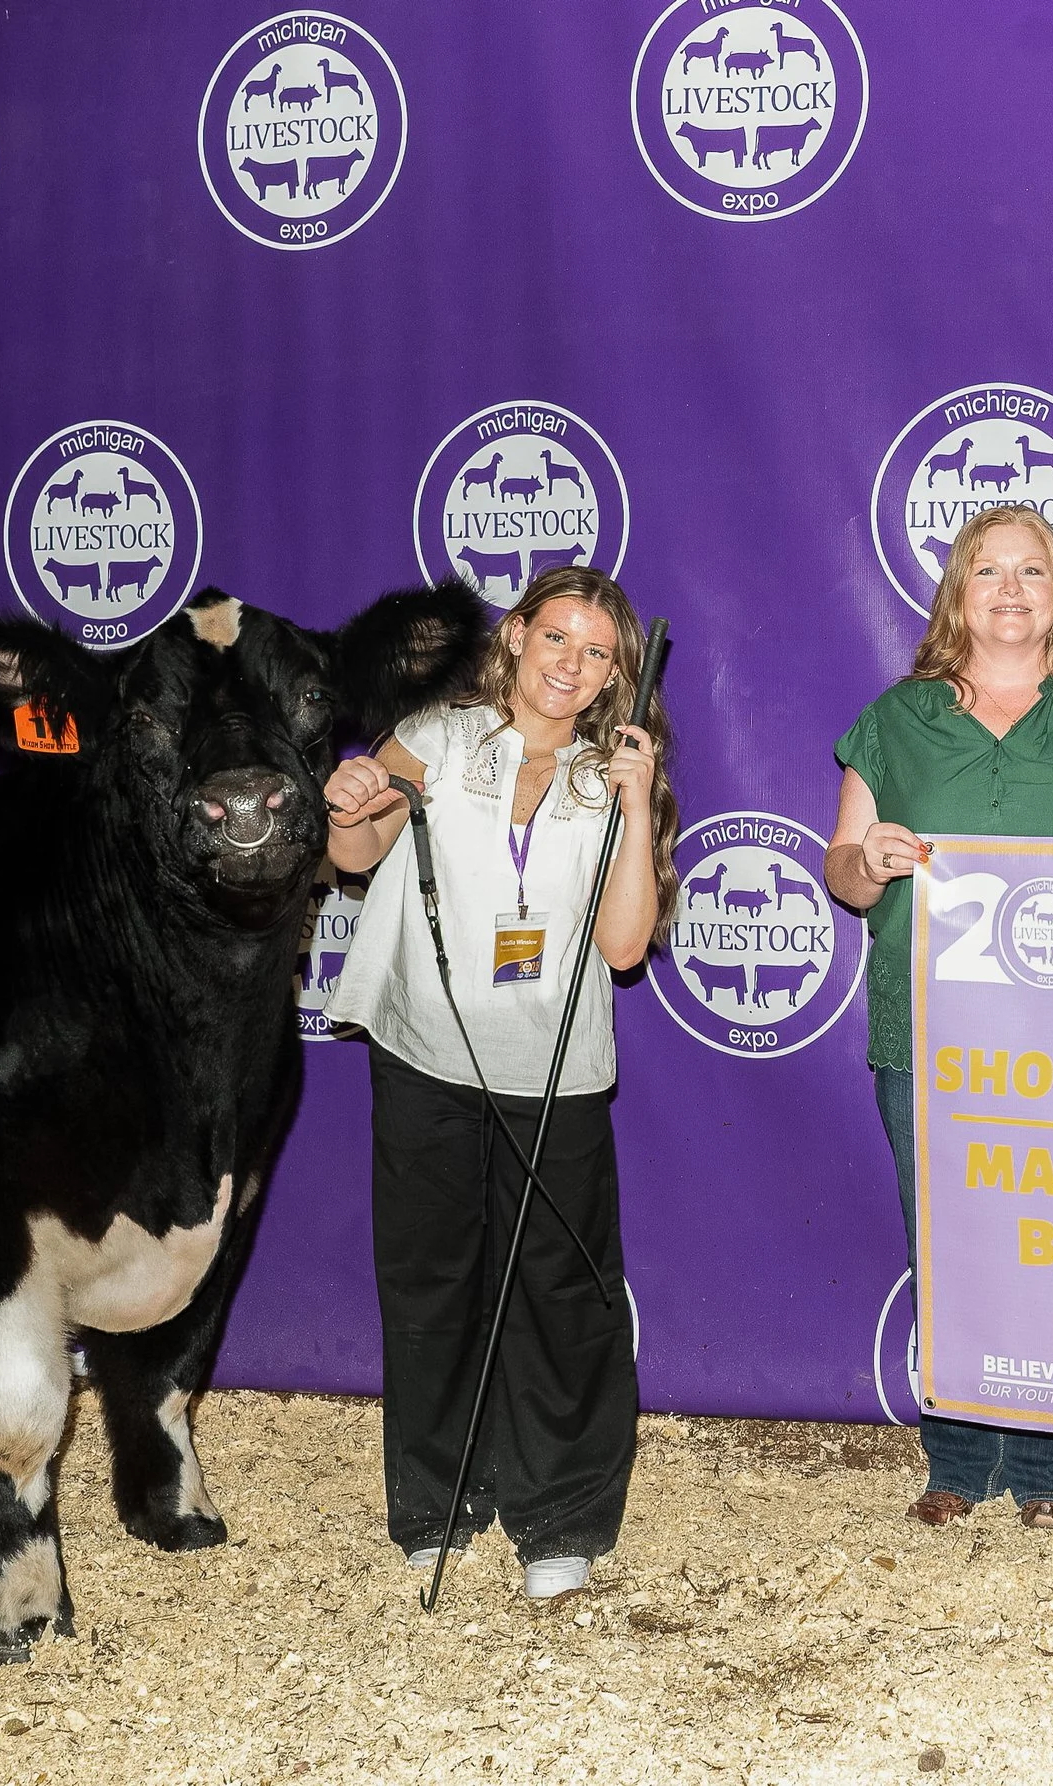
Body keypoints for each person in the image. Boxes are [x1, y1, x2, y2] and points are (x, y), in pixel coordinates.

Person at [323, 567, 678, 1600]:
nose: (572, 664)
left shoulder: (613, 773)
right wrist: (348, 799)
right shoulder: (436, 735)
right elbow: (358, 849)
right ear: (516, 636)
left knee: (560, 1294)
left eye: (597, 652)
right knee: (432, 1283)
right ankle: (438, 1503)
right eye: (555, 636)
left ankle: (560, 1516)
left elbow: (624, 948)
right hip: (424, 1055)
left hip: (554, 1073)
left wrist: (637, 802)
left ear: (618, 673)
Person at [826, 503, 1053, 1530]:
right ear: (958, 594)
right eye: (988, 571)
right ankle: (959, 1455)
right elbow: (843, 871)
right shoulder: (894, 719)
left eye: (1032, 570)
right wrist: (868, 859)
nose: (1011, 590)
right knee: (949, 1245)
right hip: (930, 1034)